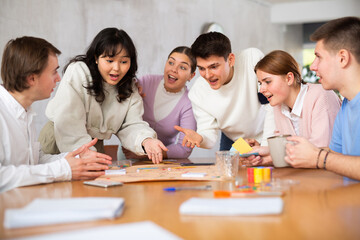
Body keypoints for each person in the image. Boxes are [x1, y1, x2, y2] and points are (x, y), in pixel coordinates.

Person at [0, 36, 113, 193]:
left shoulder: (25, 111)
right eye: (53, 72)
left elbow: (34, 162)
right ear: (31, 78)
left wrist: (76, 158)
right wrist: (63, 169)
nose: (59, 78)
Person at [39, 28, 167, 164]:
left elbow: (131, 124)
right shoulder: (78, 71)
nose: (117, 68)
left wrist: (146, 140)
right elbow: (68, 120)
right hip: (60, 140)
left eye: (124, 62)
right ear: (96, 58)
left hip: (94, 146)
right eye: (110, 60)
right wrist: (85, 153)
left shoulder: (129, 86)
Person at [285, 17, 360, 180]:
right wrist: (275, 154)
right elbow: (335, 155)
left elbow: (326, 158)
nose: (313, 66)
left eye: (319, 56)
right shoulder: (347, 103)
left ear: (342, 58)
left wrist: (318, 158)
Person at [175, 32, 274, 150]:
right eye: (201, 68)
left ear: (231, 60)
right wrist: (200, 138)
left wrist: (264, 146)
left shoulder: (251, 59)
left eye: (214, 67)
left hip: (270, 133)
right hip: (238, 141)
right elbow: (209, 137)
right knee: (227, 166)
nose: (207, 75)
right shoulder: (198, 93)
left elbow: (272, 106)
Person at [244, 50, 341, 166]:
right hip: (303, 175)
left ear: (289, 78)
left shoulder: (322, 96)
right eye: (260, 83)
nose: (261, 90)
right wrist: (264, 153)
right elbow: (286, 149)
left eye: (268, 82)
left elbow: (319, 152)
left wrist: (271, 156)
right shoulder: (279, 105)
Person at [119, 46, 197, 160]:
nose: (174, 70)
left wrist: (150, 153)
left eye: (182, 67)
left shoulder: (189, 104)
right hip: (129, 154)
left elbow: (184, 149)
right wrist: (131, 91)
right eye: (171, 62)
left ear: (191, 75)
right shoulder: (146, 82)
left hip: (160, 160)